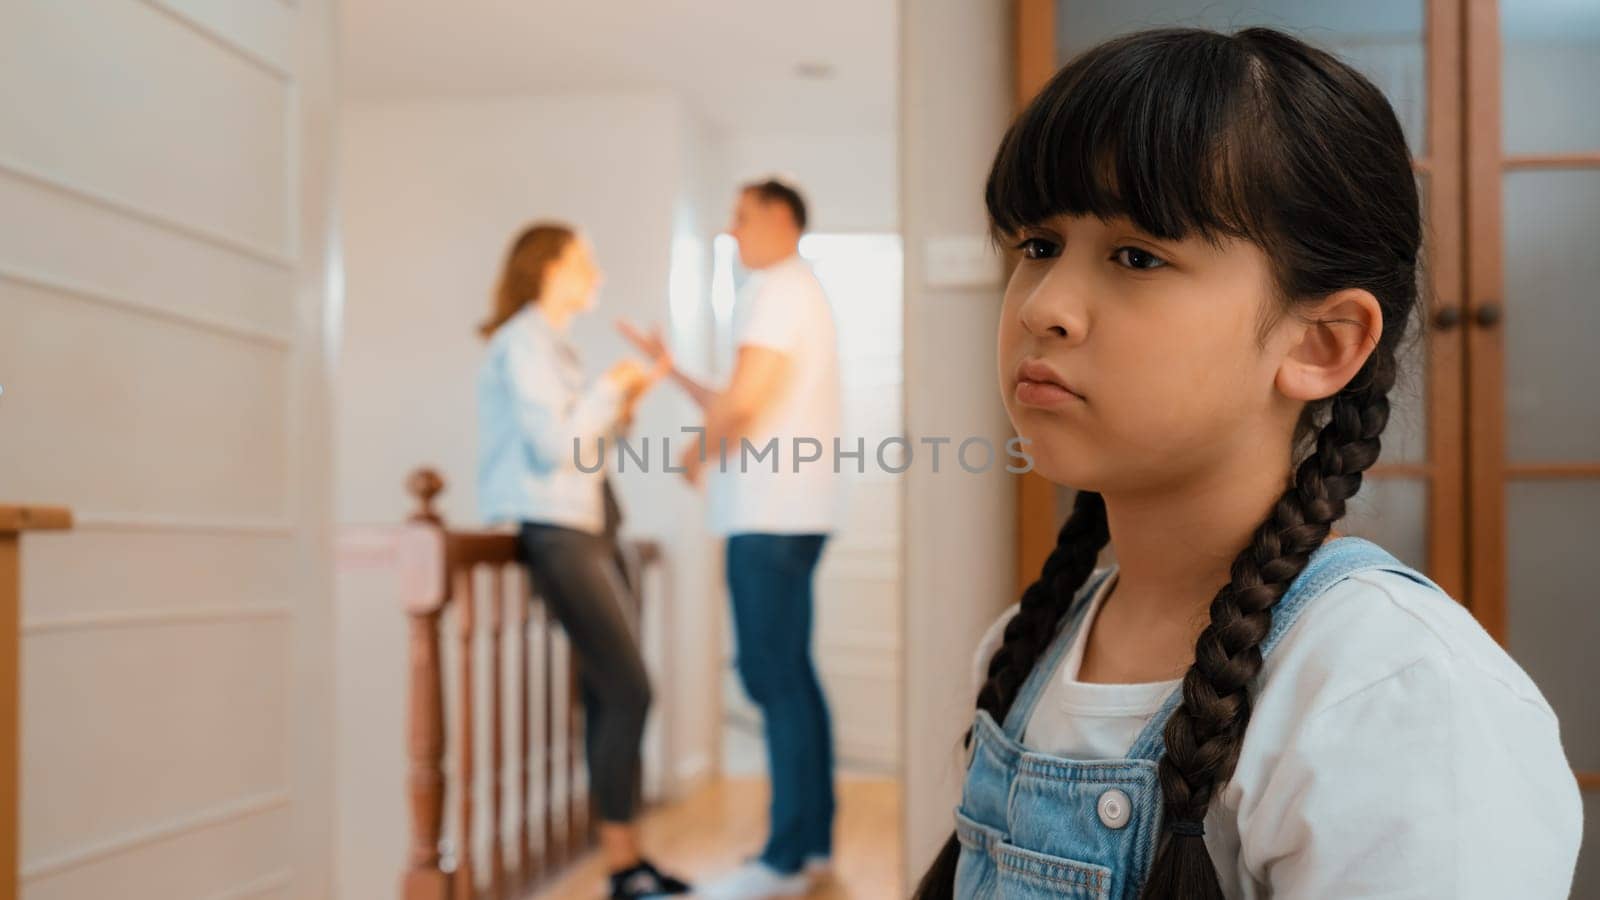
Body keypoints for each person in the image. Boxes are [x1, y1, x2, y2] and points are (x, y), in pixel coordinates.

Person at [914, 27, 1582, 900]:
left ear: (1321, 342)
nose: (1045, 308)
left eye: (1137, 257)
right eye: (1038, 245)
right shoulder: (1019, 646)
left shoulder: (1396, 695)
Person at [621, 179, 843, 899]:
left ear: (781, 218)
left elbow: (744, 405)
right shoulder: (794, 289)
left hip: (768, 517)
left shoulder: (777, 288)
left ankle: (780, 860)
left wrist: (694, 453)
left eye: (741, 216)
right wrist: (675, 369)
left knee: (771, 678)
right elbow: (735, 394)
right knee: (792, 678)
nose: (733, 228)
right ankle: (808, 845)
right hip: (793, 514)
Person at [476, 223, 689, 900]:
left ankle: (625, 862)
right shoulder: (521, 343)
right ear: (547, 268)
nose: (596, 273)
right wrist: (610, 386)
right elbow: (554, 447)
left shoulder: (551, 346)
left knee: (611, 691)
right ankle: (622, 866)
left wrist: (631, 393)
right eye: (584, 261)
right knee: (630, 688)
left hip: (589, 527)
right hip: (558, 533)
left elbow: (585, 440)